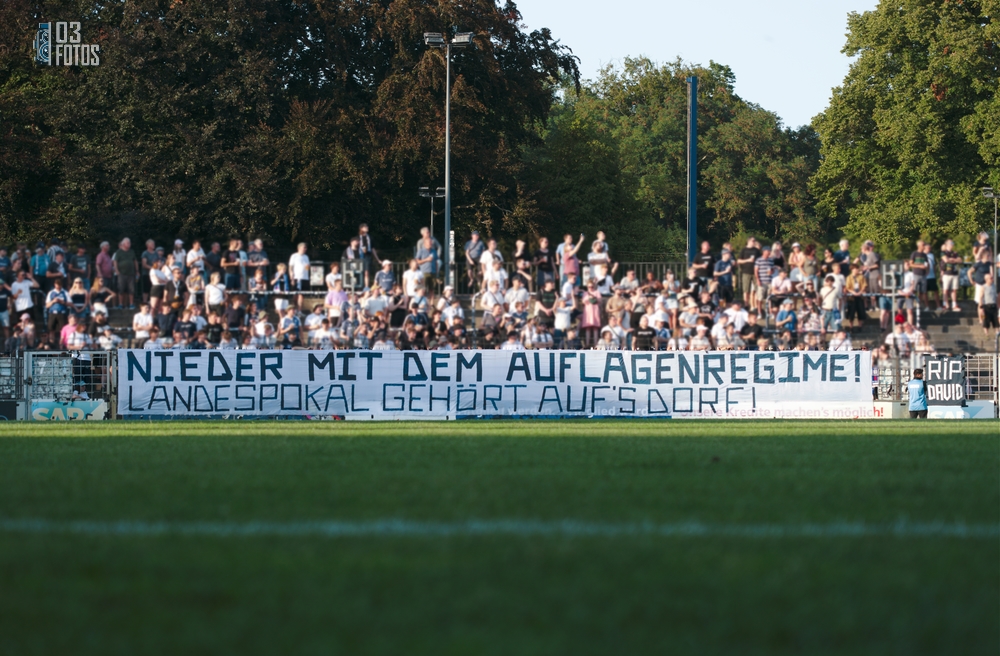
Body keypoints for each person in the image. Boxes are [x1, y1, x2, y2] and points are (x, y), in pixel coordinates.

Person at [112, 237, 138, 309]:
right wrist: (116, 270)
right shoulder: (119, 252)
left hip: (131, 273)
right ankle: (120, 304)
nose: (129, 244)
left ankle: (131, 304)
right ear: (123, 244)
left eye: (129, 243)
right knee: (121, 289)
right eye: (127, 243)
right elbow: (115, 261)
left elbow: (135, 261)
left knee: (131, 289)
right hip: (121, 273)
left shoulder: (132, 251)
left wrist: (137, 270)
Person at [288, 243, 311, 310]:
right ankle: (295, 308)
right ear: (299, 248)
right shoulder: (294, 256)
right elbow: (290, 267)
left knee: (302, 294)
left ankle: (299, 310)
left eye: (306, 248)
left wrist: (307, 268)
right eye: (304, 247)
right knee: (296, 294)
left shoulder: (306, 257)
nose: (305, 249)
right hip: (297, 278)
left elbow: (307, 268)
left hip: (305, 278)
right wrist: (291, 278)